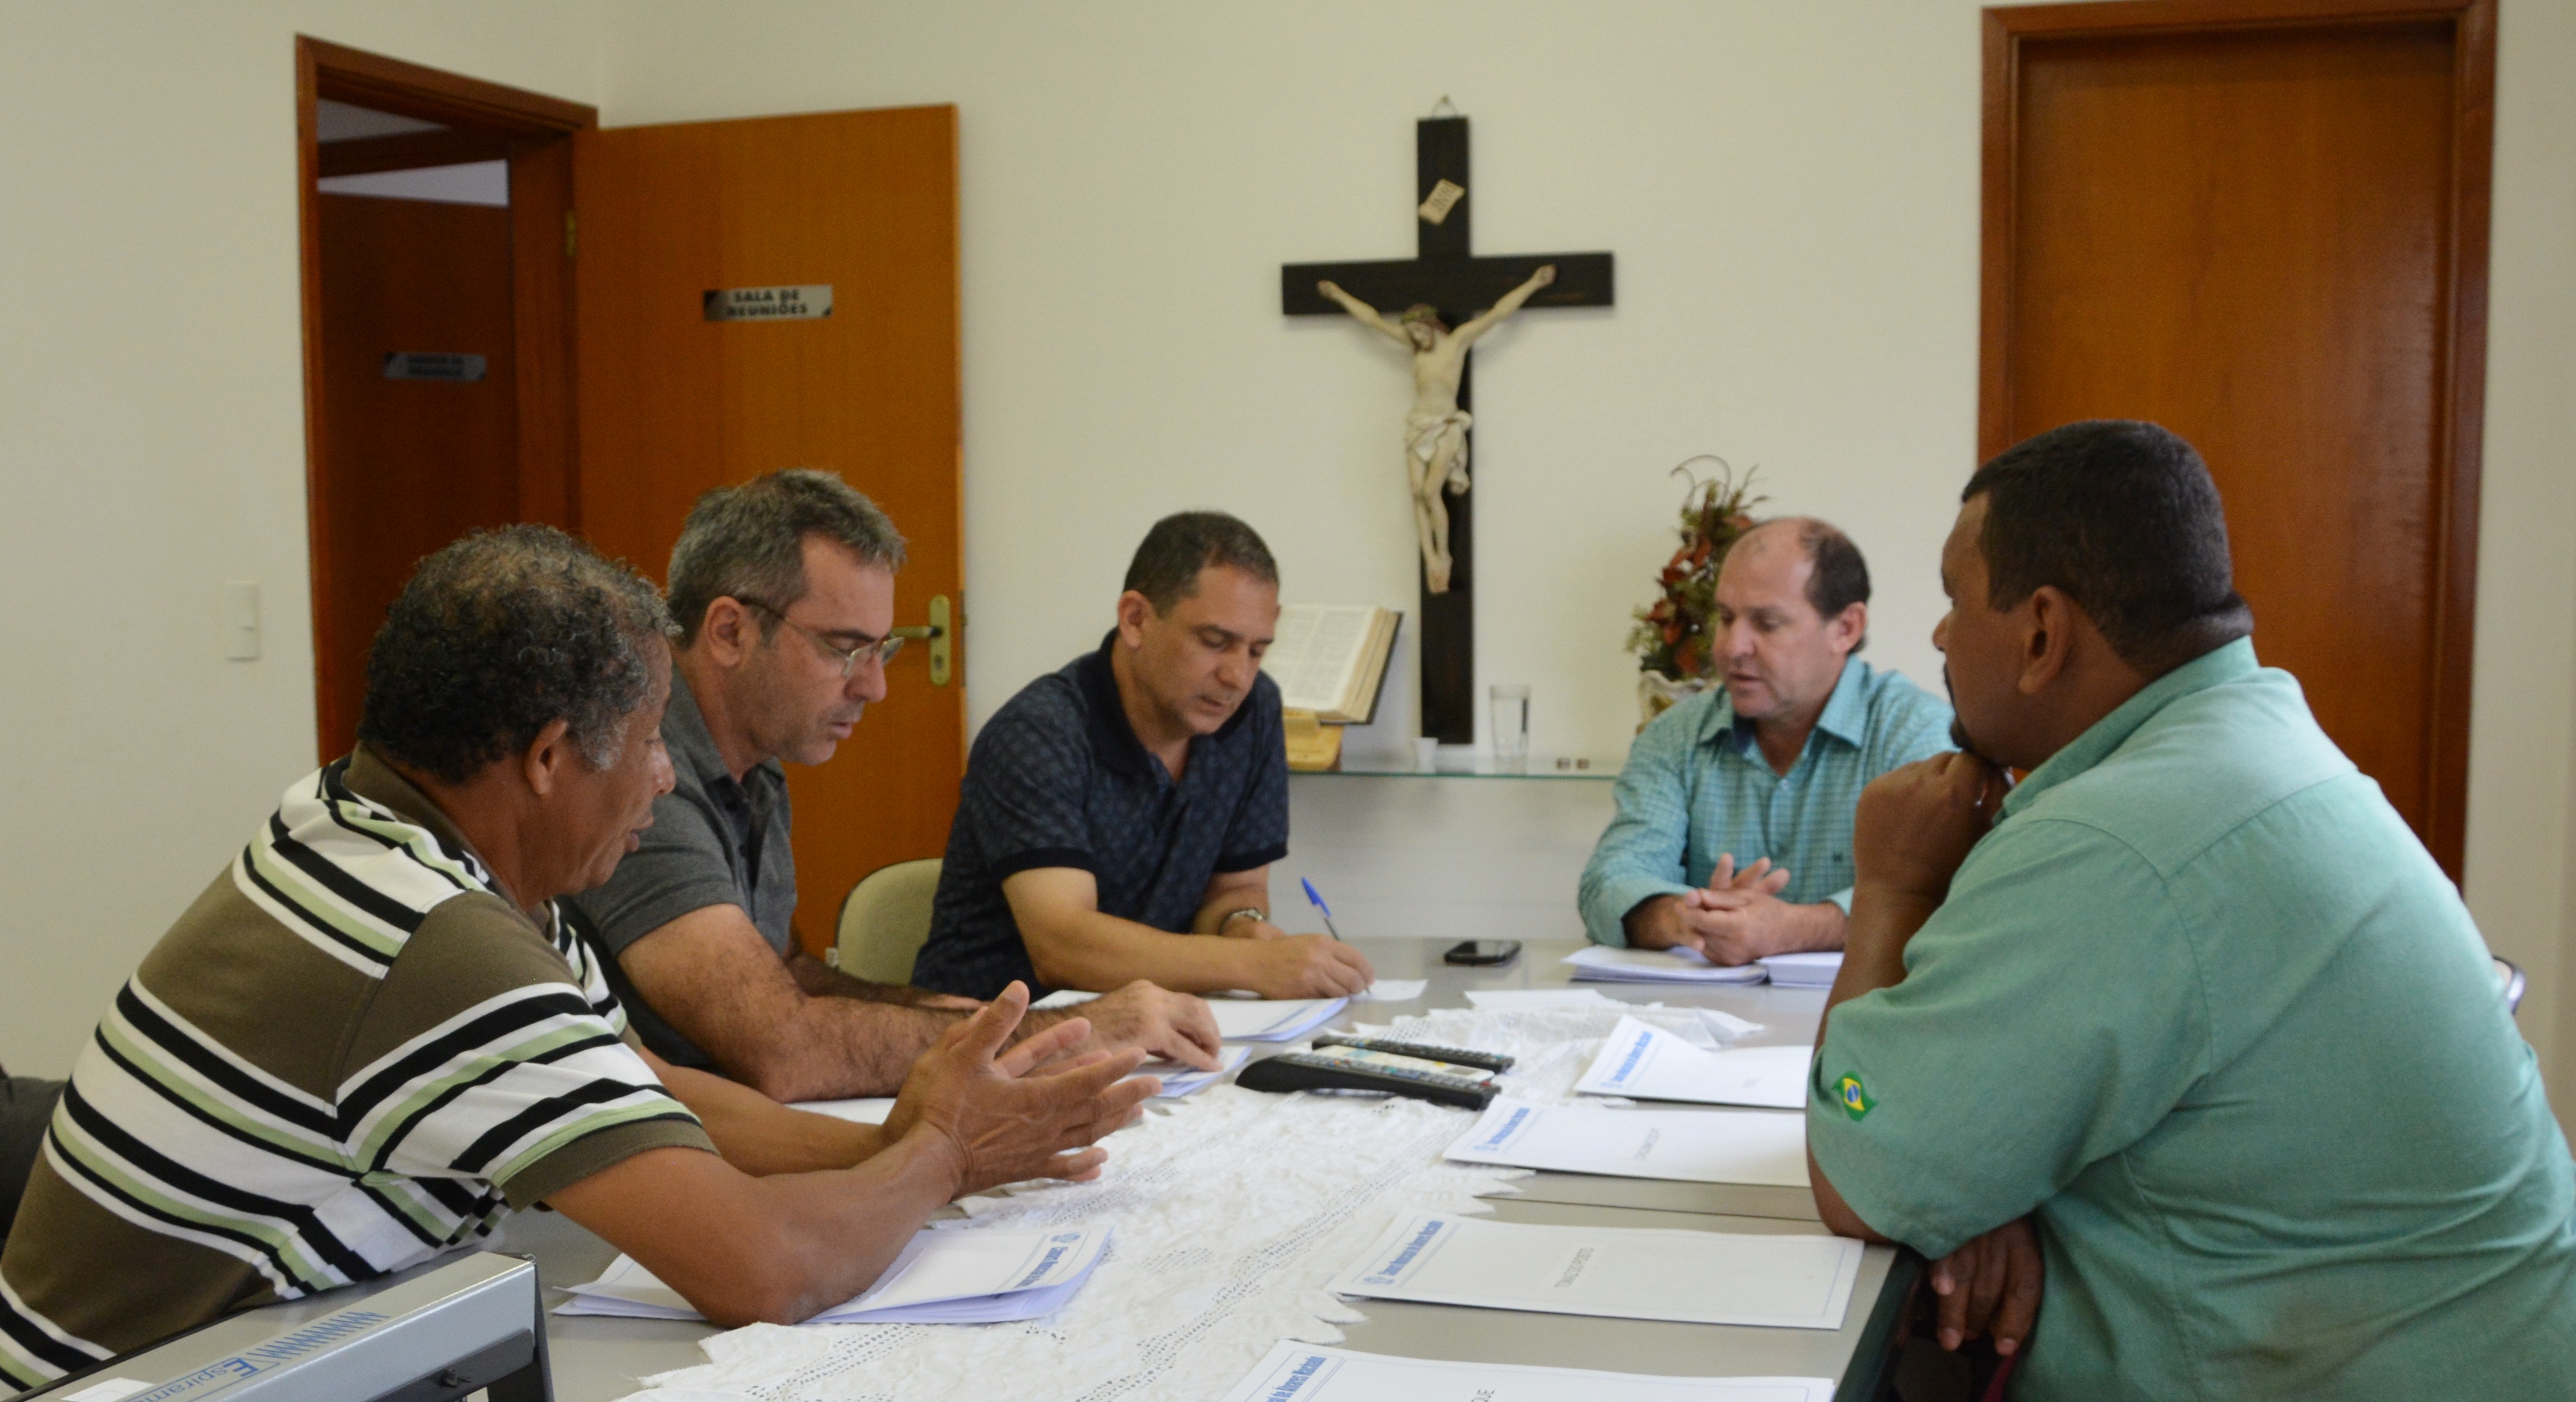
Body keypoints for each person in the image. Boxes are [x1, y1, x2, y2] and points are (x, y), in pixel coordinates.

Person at [0, 528, 1152, 1391]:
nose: (663, 777)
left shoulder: (369, 822)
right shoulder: (434, 945)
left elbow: (648, 1089)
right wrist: (942, 1156)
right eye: (651, 740)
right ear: (551, 755)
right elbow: (764, 1266)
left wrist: (914, 1136)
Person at [1807, 421, 2576, 1398]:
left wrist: (1892, 889)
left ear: (2041, 632)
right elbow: (1936, 1144)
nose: (1942, 635)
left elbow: (1863, 1174)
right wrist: (1977, 1173)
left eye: (1957, 599)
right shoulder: (2250, 736)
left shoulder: (2118, 834)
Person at [563, 471, 1222, 1101]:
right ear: (731, 631)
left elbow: (783, 970)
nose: (873, 686)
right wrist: (1078, 1032)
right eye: (844, 650)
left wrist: (949, 1014)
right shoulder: (643, 774)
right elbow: (780, 1047)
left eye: (882, 650)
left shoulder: (754, 757)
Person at [910, 512, 1377, 1000]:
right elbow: (1063, 946)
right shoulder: (1039, 733)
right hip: (992, 1037)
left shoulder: (1253, 711)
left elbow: (1234, 891)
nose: (1238, 676)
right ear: (1136, 619)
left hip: (1144, 1028)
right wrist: (1254, 963)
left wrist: (1245, 926)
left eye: (1258, 651)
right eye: (1215, 642)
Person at [1579, 518, 1952, 965]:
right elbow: (1610, 880)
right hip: (1696, 1021)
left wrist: (1793, 928)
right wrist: (1684, 917)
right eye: (1727, 617)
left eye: (1767, 623)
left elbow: (1941, 893)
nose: (1733, 647)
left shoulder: (1915, 732)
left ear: (1846, 628)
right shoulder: (1675, 735)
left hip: (1859, 1022)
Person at [1316, 265, 1556, 593]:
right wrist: (1339, 295)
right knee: (1416, 493)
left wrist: (1533, 283)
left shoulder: (1456, 343)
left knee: (1431, 492)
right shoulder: (1414, 346)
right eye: (1411, 333)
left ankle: (1443, 555)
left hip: (1445, 427)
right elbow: (1371, 319)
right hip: (1418, 425)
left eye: (1419, 331)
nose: (1415, 338)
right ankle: (1429, 556)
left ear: (1431, 325)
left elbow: (1498, 314)